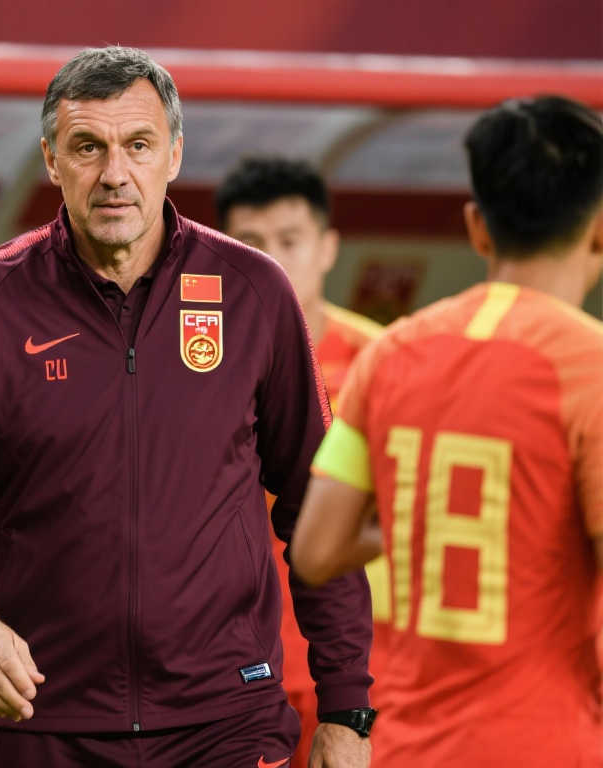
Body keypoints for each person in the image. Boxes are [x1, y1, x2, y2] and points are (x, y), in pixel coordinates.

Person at [0, 46, 375, 768]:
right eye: (88, 147)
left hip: (225, 724)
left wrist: (346, 706)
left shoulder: (253, 291)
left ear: (174, 154)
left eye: (138, 145)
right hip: (44, 721)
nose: (115, 173)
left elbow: (314, 504)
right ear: (52, 161)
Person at [291, 94, 603, 765]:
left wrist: (415, 527)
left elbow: (315, 549)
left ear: (476, 227)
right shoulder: (591, 367)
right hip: (549, 745)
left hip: (409, 746)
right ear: (599, 229)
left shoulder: (389, 354)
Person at [216, 157, 388, 767]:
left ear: (328, 247)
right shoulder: (192, 364)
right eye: (250, 242)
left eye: (290, 240)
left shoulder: (382, 363)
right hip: (229, 664)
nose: (272, 259)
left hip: (361, 663)